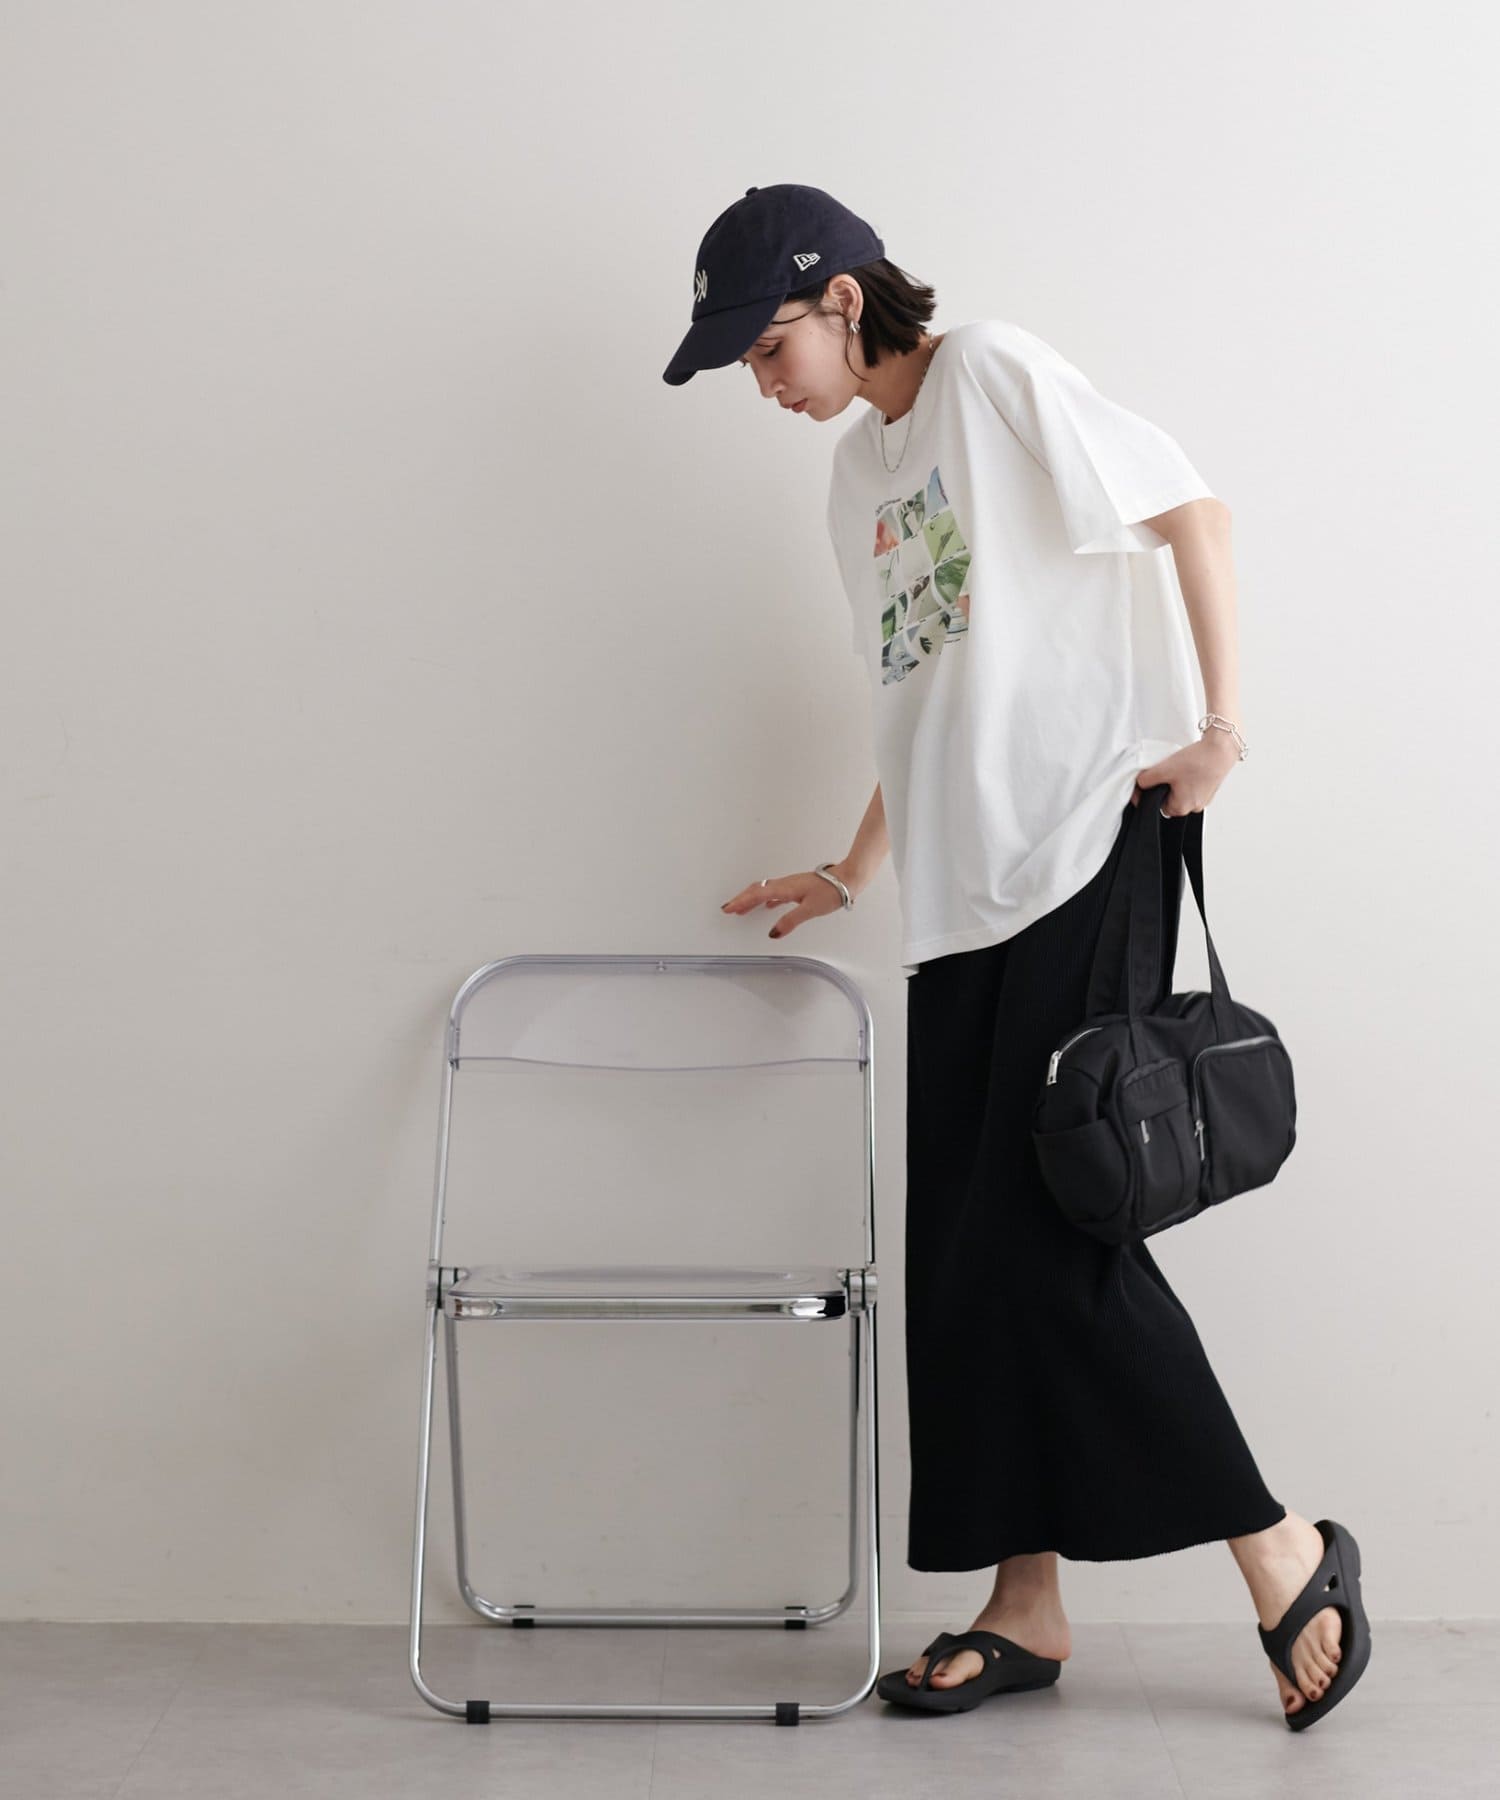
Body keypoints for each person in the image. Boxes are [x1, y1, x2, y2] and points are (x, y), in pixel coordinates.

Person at [664, 184, 1368, 1729]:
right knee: (968, 1268)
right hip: (957, 899)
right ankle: (1025, 1605)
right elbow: (921, 683)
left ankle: (1280, 1546)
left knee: (1055, 1242)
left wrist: (1221, 729)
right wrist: (855, 865)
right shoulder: (856, 475)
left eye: (766, 347)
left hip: (1081, 848)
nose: (761, 384)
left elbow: (1191, 511)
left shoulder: (989, 373)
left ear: (843, 300)